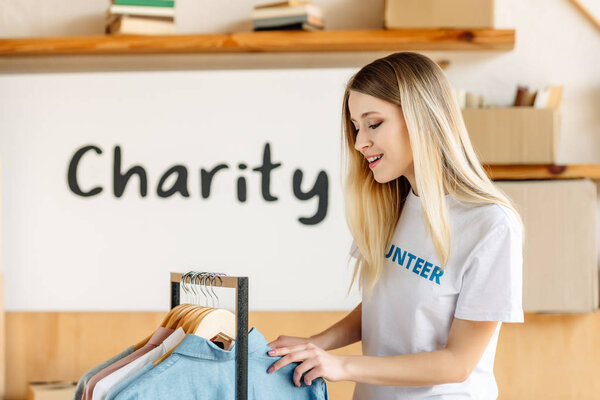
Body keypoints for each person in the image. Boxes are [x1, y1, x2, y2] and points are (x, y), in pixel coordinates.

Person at [265, 51, 526, 399]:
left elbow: (457, 363)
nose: (359, 143)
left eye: (373, 124)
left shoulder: (490, 225)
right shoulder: (389, 206)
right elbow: (384, 304)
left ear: (422, 117)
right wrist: (316, 344)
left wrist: (341, 365)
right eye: (356, 127)